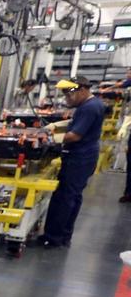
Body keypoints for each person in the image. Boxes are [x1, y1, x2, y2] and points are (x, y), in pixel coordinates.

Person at [41, 77, 104, 246]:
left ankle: (54, 238)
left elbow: (75, 135)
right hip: (84, 157)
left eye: (69, 95)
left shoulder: (89, 108)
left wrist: (48, 138)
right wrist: (56, 125)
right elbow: (74, 123)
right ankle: (63, 236)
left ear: (82, 90)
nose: (67, 99)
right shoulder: (91, 104)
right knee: (73, 197)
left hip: (79, 159)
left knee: (65, 198)